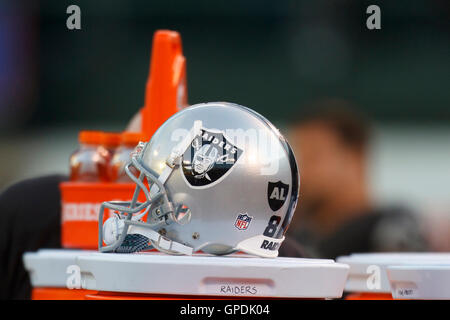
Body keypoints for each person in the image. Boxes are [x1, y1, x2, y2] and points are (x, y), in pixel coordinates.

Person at [287, 99, 428, 259]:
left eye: (313, 157)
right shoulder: (296, 235)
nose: (301, 171)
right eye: (296, 160)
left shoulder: (389, 228)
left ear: (355, 158)